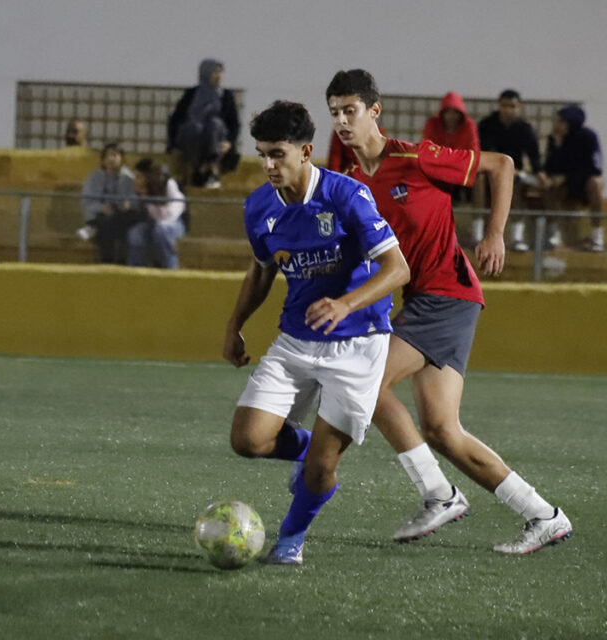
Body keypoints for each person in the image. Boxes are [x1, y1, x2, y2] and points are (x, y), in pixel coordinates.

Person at [326, 69, 572, 555]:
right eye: (334, 113)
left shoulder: (417, 157)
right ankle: (544, 516)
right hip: (427, 300)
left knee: (368, 382)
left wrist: (495, 233)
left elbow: (501, 165)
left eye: (350, 111)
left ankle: (439, 494)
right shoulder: (350, 184)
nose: (342, 121)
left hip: (447, 294)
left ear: (374, 111)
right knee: (441, 430)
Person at [224, 100, 409, 565]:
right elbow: (262, 271)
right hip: (296, 339)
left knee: (324, 467)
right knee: (247, 440)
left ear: (305, 152)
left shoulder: (346, 195)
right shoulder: (258, 206)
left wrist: (345, 303)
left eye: (278, 154)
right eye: (262, 154)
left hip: (358, 343)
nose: (268, 165)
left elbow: (397, 269)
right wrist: (235, 324)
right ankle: (314, 457)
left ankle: (290, 542)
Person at [477, 89, 542, 252]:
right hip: (487, 172)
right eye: (504, 106)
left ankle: (517, 236)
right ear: (499, 106)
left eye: (512, 106)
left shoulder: (525, 129)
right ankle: (477, 232)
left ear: (519, 107)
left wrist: (538, 173)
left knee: (515, 185)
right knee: (478, 181)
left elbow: (534, 157)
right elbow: (482, 152)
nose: (508, 110)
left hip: (514, 174)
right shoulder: (487, 125)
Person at [538, 105, 605, 251]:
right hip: (564, 186)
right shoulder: (556, 138)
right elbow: (550, 167)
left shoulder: (588, 137)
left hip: (583, 182)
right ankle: (554, 235)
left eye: (561, 121)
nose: (557, 124)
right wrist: (558, 148)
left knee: (595, 183)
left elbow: (594, 168)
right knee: (548, 188)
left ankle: (597, 235)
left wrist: (567, 177)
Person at [168, 59, 240, 189]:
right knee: (193, 127)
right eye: (215, 73)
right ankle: (195, 169)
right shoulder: (192, 94)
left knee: (214, 123)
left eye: (220, 72)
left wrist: (229, 142)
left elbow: (234, 124)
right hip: (193, 139)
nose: (219, 76)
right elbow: (176, 119)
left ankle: (211, 168)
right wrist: (173, 144)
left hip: (216, 139)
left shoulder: (226, 96)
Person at [422, 91, 480, 225]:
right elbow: (427, 150)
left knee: (480, 179)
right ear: (442, 113)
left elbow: (474, 152)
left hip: (461, 171)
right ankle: (431, 220)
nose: (451, 116)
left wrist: (449, 161)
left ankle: (478, 224)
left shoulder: (469, 126)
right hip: (439, 171)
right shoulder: (432, 125)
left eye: (455, 112)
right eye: (448, 112)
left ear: (461, 114)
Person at [77, 143, 139, 263]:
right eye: (108, 156)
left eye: (114, 155)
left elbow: (135, 200)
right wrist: (101, 207)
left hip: (121, 217)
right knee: (107, 229)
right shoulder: (94, 177)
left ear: (122, 158)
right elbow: (87, 202)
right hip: (101, 216)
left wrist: (127, 204)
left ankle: (94, 229)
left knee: (115, 224)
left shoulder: (129, 178)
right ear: (103, 159)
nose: (111, 159)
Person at [126, 158, 186, 269]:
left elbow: (173, 212)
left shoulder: (168, 184)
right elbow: (136, 211)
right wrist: (143, 197)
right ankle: (137, 269)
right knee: (135, 233)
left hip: (172, 223)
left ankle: (170, 267)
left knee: (161, 231)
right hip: (152, 223)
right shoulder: (141, 190)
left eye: (139, 176)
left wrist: (152, 201)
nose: (136, 180)